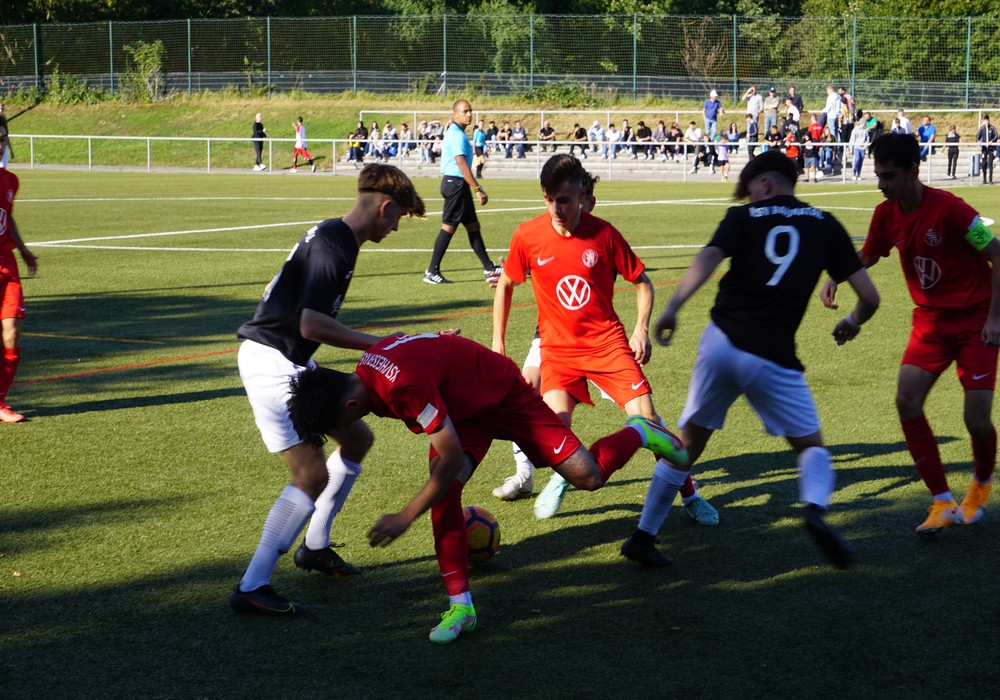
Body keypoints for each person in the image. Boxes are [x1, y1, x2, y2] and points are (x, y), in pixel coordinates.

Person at [286, 332, 688, 643]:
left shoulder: (402, 388)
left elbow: (451, 458)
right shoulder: (363, 373)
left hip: (503, 394)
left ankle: (640, 430)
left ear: (349, 406)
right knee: (445, 494)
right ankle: (460, 607)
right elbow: (415, 347)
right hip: (462, 414)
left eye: (339, 425)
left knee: (589, 477)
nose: (345, 431)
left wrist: (405, 516)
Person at [621, 150, 880, 568]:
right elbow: (870, 297)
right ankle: (815, 511)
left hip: (721, 342)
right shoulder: (826, 224)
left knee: (686, 449)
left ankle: (642, 536)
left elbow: (709, 257)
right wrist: (851, 322)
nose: (748, 199)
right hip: (771, 355)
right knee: (810, 448)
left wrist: (673, 307)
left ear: (764, 183)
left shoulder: (743, 217)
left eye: (749, 191)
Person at [228, 164, 425, 616]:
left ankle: (314, 546)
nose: (397, 227)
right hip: (272, 363)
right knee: (311, 475)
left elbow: (277, 286)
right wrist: (381, 343)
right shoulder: (336, 246)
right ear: (385, 207)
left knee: (356, 438)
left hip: (289, 357)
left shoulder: (336, 236)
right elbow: (311, 323)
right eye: (399, 217)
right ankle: (253, 586)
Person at [492, 154, 717, 522]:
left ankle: (689, 494)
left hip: (606, 346)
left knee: (649, 419)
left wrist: (640, 328)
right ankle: (561, 477)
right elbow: (505, 284)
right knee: (556, 436)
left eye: (564, 200)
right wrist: (498, 343)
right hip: (558, 351)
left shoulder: (604, 235)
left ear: (583, 195)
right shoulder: (527, 235)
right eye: (549, 200)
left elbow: (642, 283)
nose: (556, 210)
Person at [822, 132, 1000, 535]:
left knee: (976, 419)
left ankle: (981, 484)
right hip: (931, 322)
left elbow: (997, 253)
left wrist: (995, 319)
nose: (881, 184)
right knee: (906, 401)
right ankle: (942, 502)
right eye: (878, 175)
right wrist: (838, 274)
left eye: (888, 176)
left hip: (975, 321)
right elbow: (870, 253)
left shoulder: (952, 210)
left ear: (913, 172)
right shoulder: (886, 214)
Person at [423, 99, 500, 286]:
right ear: (455, 114)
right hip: (455, 184)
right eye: (465, 111)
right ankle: (432, 271)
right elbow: (461, 164)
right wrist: (477, 189)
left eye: (470, 111)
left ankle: (489, 269)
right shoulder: (457, 134)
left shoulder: (457, 133)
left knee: (473, 226)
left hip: (458, 185)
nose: (469, 114)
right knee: (448, 227)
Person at [0, 165, 38, 423]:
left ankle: (0, 402)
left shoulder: (10, 180)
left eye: (2, 143)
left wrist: (23, 250)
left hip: (7, 265)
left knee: (12, 332)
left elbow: (8, 217)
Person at [976, 115, 997, 185]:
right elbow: (977, 136)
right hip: (984, 148)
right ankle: (984, 179)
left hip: (990, 149)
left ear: (989, 121)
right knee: (984, 163)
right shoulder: (982, 128)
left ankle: (990, 180)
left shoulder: (992, 128)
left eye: (987, 120)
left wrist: (992, 141)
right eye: (985, 121)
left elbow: (996, 136)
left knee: (990, 163)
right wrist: (978, 141)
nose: (986, 122)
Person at [849, 116, 869, 181]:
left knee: (861, 161)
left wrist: (865, 146)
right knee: (857, 160)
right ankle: (854, 173)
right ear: (862, 123)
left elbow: (867, 139)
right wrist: (851, 148)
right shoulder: (855, 130)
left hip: (862, 148)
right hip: (856, 147)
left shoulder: (865, 131)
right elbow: (852, 140)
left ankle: (859, 173)